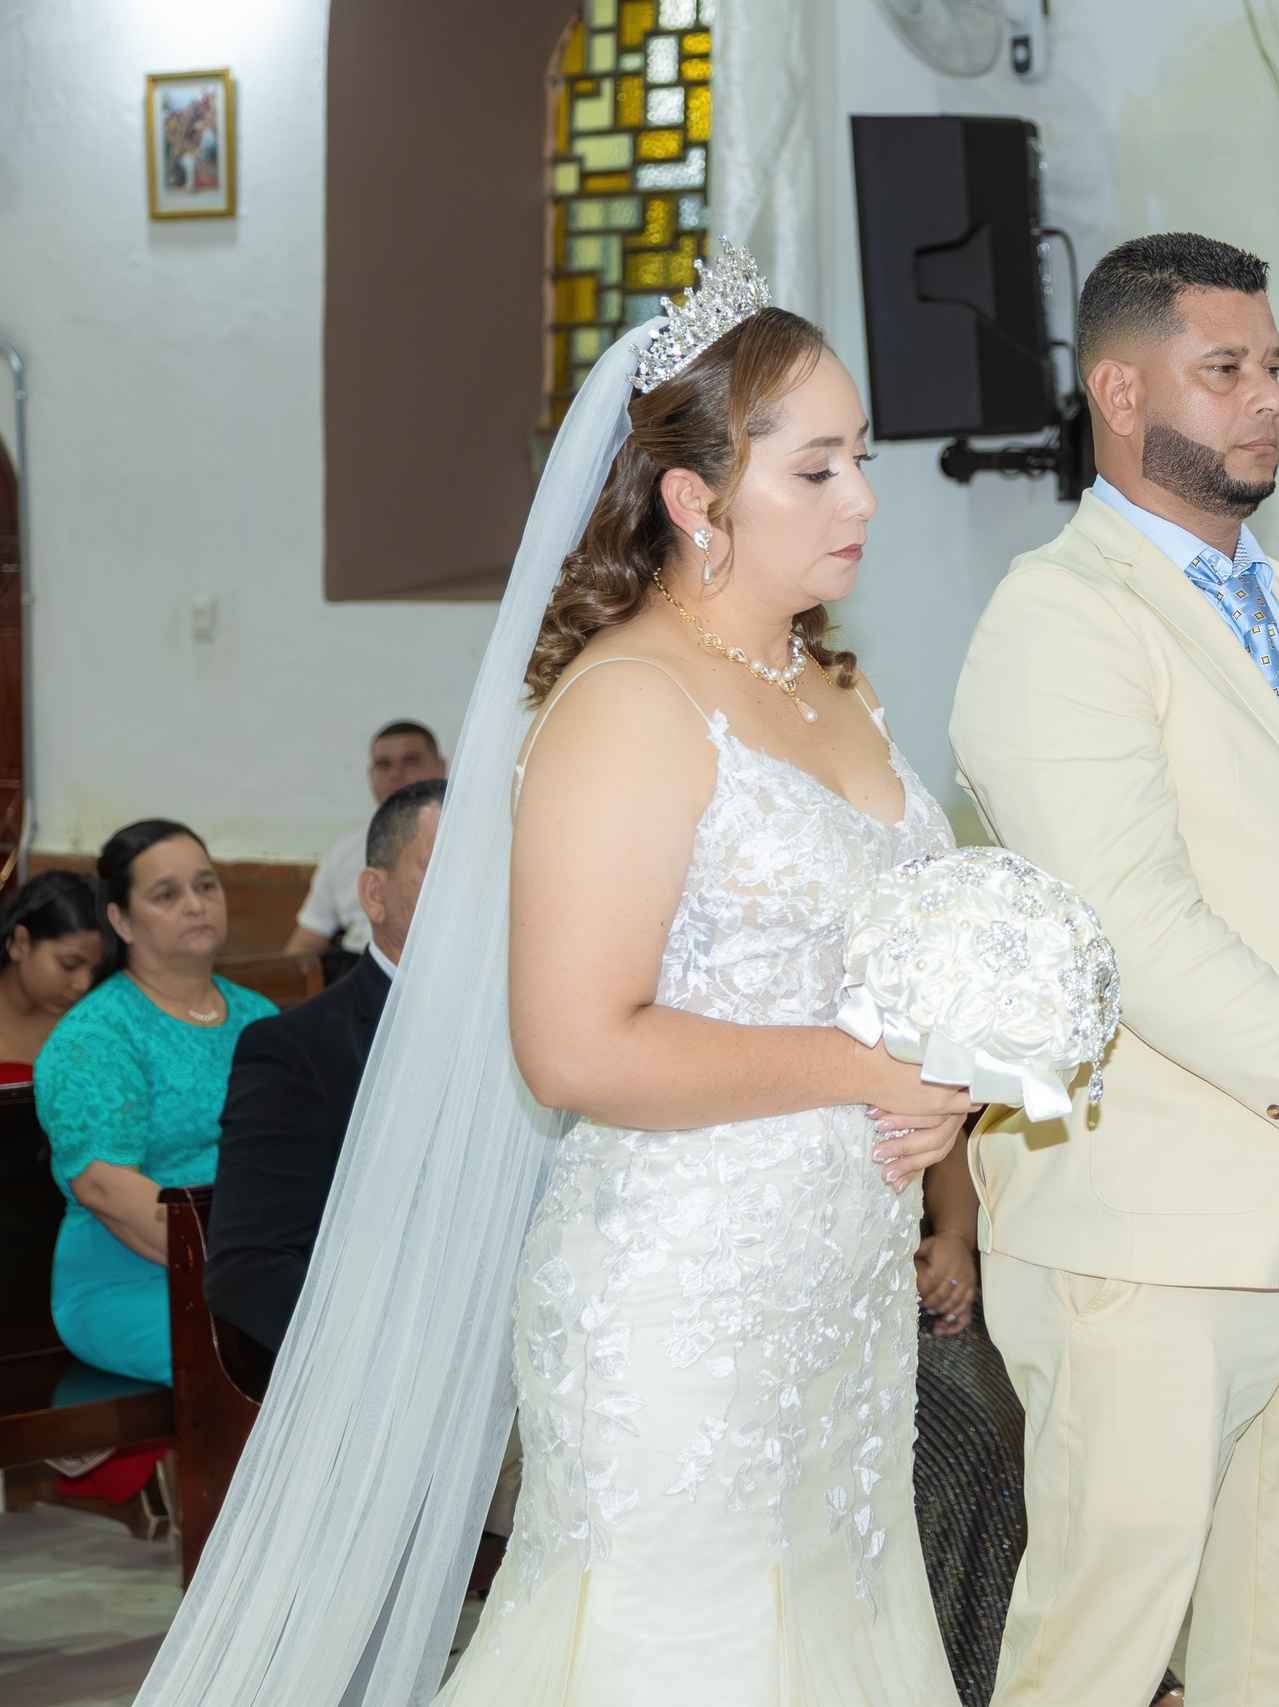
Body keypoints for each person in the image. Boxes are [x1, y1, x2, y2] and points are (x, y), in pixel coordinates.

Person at [132, 247, 970, 1707]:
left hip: (839, 1281)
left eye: (863, 460)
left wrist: (948, 1090)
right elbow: (574, 1047)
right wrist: (863, 1067)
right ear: (697, 497)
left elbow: (890, 963)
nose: (864, 498)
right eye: (820, 467)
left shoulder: (840, 685)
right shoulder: (628, 701)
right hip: (683, 1295)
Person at [950, 232, 1279, 1707]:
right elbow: (1135, 928)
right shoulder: (1056, 620)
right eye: (1226, 369)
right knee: (1096, 1649)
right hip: (1150, 1231)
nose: (1265, 400)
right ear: (1120, 392)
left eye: (1273, 368)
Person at [909, 1152, 1186, 1707]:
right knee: (966, 1450)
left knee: (1044, 1430)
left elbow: (946, 1153)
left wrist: (957, 1238)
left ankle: (1097, 1674)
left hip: (920, 1305)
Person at [207, 778, 443, 1384]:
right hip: (389, 1367)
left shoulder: (544, 1029)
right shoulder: (298, 1050)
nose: (474, 895)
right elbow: (250, 1268)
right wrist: (398, 1360)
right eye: (441, 868)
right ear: (374, 894)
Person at [39, 819, 276, 1388]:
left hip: (255, 1261)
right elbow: (104, 1188)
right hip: (127, 1281)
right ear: (120, 920)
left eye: (207, 886)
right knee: (288, 1352)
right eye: (167, 895)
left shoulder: (260, 1018)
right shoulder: (95, 1037)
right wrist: (249, 1264)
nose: (195, 905)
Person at [282, 720, 445, 965]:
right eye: (384, 765)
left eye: (410, 761)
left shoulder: (470, 842)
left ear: (441, 767)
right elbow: (304, 944)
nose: (396, 774)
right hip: (359, 973)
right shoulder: (345, 852)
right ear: (371, 775)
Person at [0, 870, 104, 1079]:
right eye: (69, 965)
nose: (84, 984)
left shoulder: (90, 1029)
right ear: (21, 943)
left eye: (96, 970)